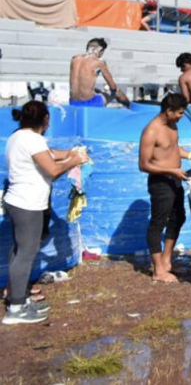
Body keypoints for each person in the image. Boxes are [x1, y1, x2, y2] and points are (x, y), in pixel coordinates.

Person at [3, 102, 88, 324]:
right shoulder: (33, 139)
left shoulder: (17, 136)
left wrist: (69, 153)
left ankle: (15, 295)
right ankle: (16, 309)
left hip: (17, 200)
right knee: (26, 253)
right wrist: (73, 161)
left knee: (19, 249)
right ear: (46, 119)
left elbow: (49, 154)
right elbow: (51, 169)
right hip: (28, 203)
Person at [139, 94, 191, 283]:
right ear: (169, 111)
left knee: (179, 217)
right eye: (180, 113)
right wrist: (170, 170)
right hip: (160, 181)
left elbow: (173, 148)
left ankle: (167, 260)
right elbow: (143, 164)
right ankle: (158, 270)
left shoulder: (173, 126)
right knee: (158, 222)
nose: (182, 116)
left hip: (175, 178)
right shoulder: (151, 131)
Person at [69, 38, 130, 107]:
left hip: (73, 102)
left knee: (97, 90)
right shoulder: (99, 63)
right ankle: (131, 107)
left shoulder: (74, 59)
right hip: (90, 102)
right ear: (100, 51)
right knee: (117, 91)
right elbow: (113, 86)